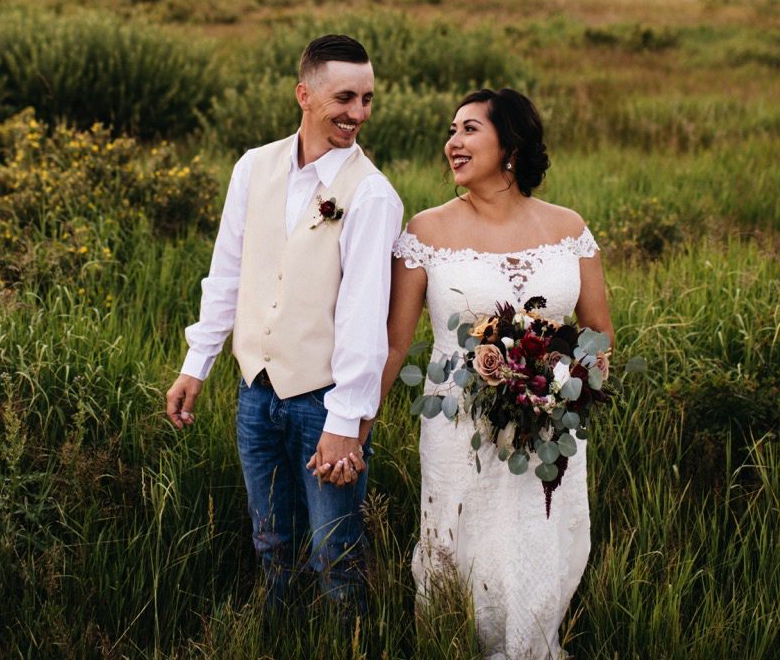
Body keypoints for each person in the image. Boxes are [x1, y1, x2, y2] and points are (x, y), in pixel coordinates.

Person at [164, 34, 404, 615]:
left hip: (325, 398)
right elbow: (228, 274)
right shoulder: (254, 167)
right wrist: (198, 364)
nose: (358, 113)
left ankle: (347, 643)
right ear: (304, 94)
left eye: (368, 99)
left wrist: (346, 420)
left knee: (335, 553)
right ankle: (281, 635)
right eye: (345, 97)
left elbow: (365, 317)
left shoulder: (371, 195)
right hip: (255, 390)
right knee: (272, 541)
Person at [382, 87, 613, 660]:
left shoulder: (568, 227)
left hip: (549, 429)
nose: (451, 143)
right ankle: (453, 644)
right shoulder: (428, 231)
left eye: (468, 130)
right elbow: (393, 343)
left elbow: (599, 336)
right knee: (461, 543)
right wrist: (353, 427)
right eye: (451, 131)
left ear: (510, 144)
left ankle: (532, 647)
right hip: (458, 424)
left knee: (541, 538)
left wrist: (560, 389)